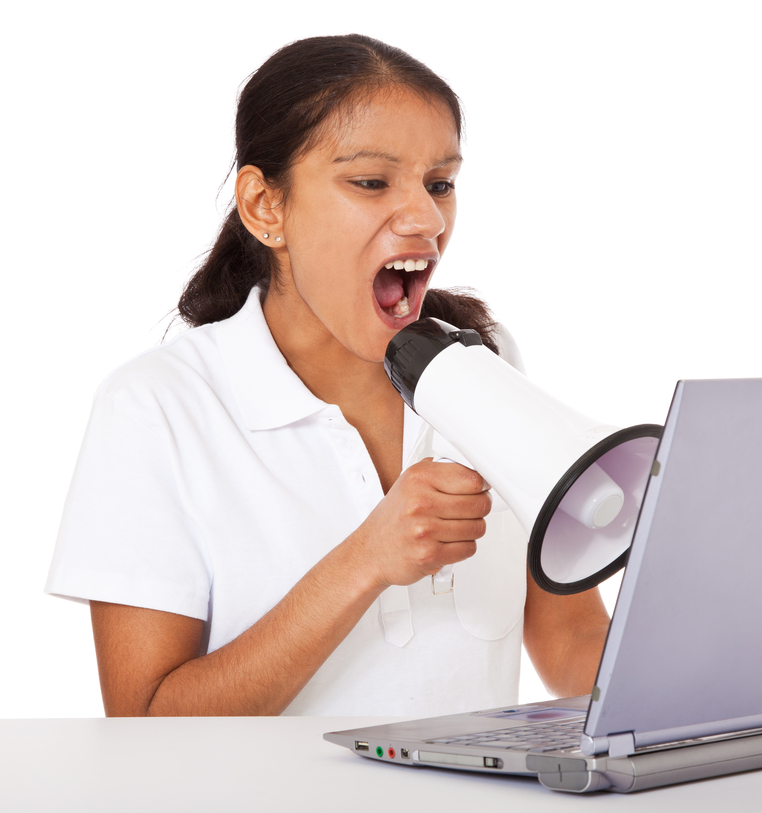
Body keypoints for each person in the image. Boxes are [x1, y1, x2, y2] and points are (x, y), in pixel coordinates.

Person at [45, 35, 610, 718]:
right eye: (371, 182)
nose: (427, 219)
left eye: (440, 183)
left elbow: (571, 634)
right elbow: (145, 726)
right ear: (265, 208)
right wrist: (367, 558)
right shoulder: (157, 407)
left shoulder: (484, 362)